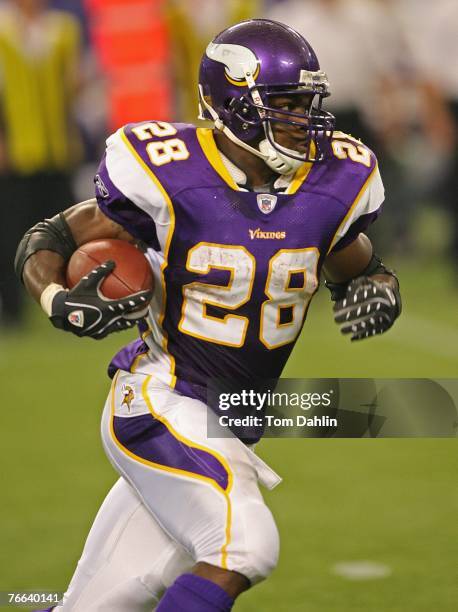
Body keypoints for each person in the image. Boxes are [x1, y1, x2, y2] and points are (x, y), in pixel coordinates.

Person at [16, 19, 401, 612]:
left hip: (230, 419)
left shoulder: (335, 179)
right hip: (160, 399)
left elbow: (353, 260)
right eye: (286, 105)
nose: (306, 121)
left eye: (307, 103)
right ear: (234, 106)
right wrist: (55, 298)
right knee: (244, 548)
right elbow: (52, 235)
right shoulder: (171, 172)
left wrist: (378, 286)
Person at [0, 0, 83, 328]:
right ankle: (12, 311)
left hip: (57, 146)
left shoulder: (61, 28)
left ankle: (71, 302)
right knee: (9, 231)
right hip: (16, 149)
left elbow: (71, 86)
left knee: (67, 233)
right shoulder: (4, 29)